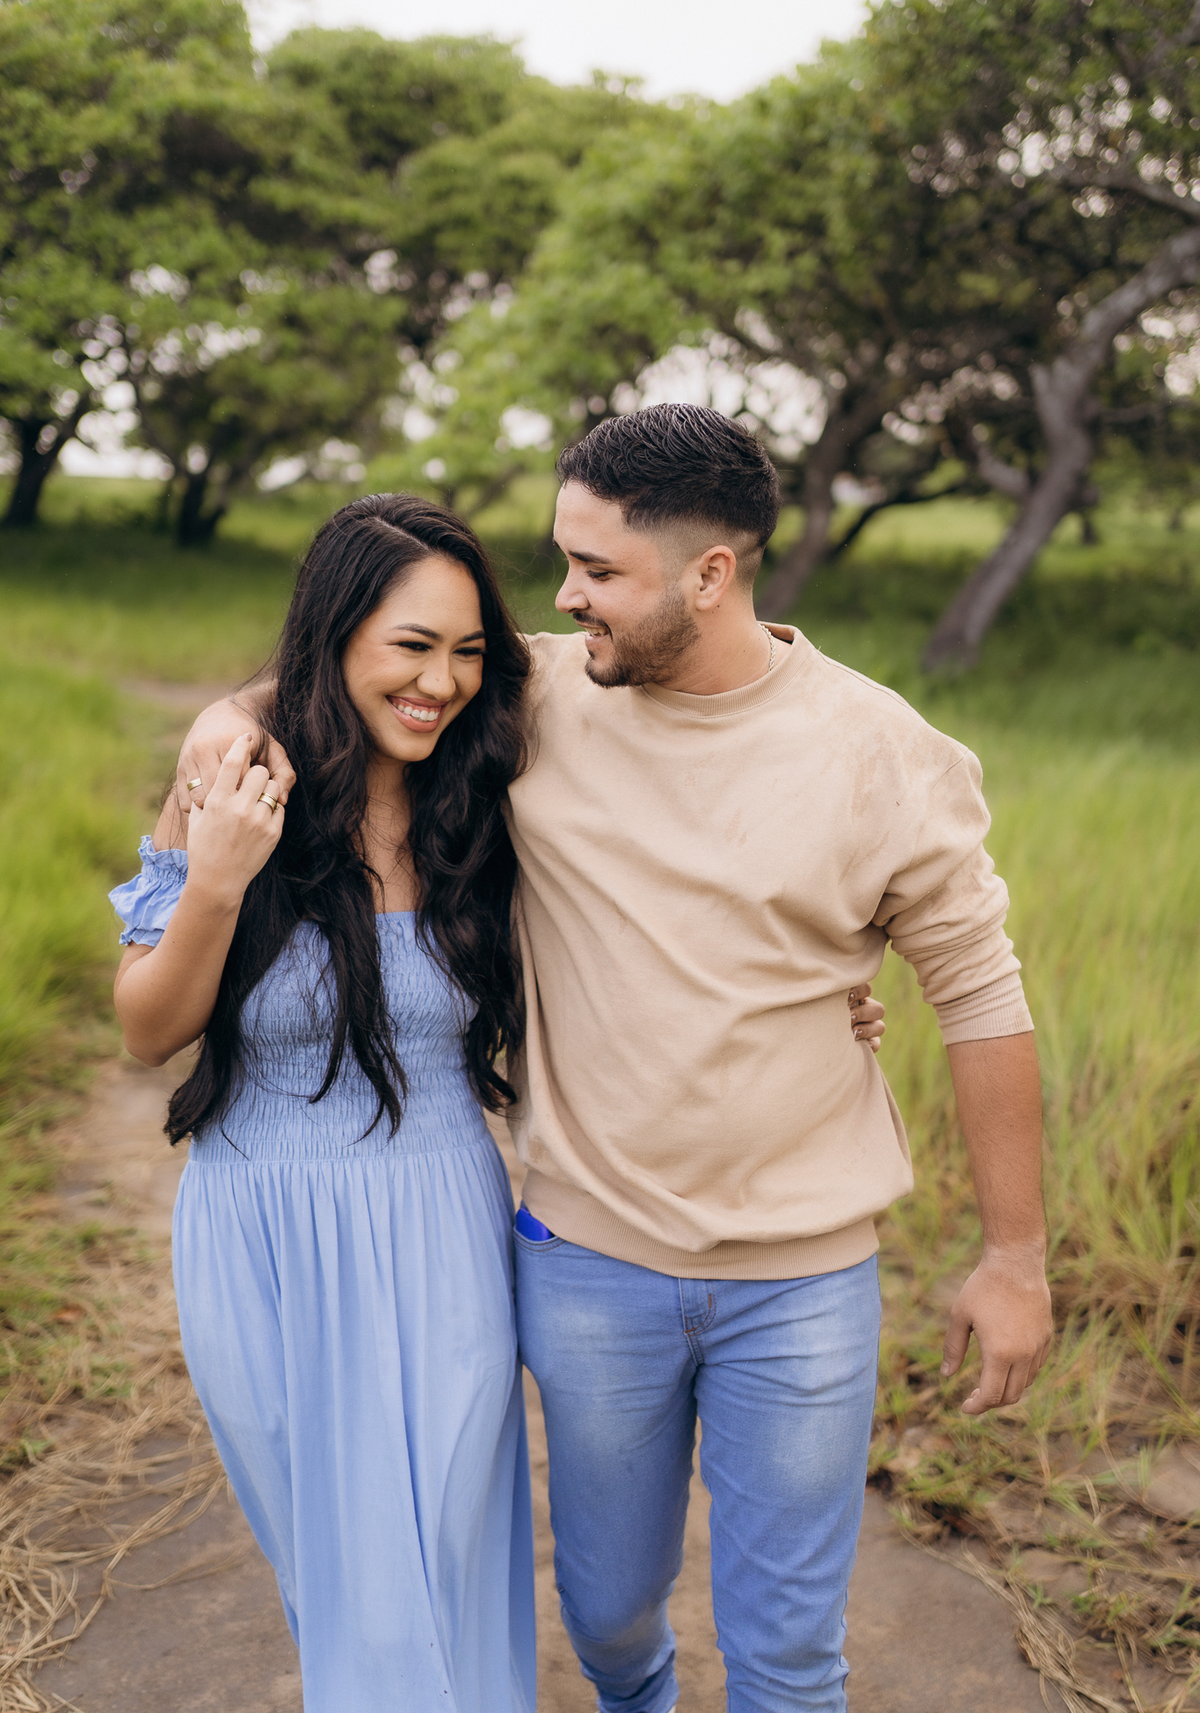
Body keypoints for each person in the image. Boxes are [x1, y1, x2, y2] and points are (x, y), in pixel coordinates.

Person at [178, 406, 1052, 1713]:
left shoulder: (884, 755)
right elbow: (366, 664)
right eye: (562, 562)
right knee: (605, 1614)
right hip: (590, 1265)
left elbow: (983, 993)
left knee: (790, 1660)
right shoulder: (544, 698)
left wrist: (1015, 1254)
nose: (566, 596)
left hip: (804, 1281)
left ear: (712, 575)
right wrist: (228, 714)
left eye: (597, 570)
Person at [109, 499, 538, 1713]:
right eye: (411, 645)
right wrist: (218, 881)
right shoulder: (237, 793)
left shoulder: (491, 792)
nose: (441, 681)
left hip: (442, 1219)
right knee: (334, 1571)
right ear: (337, 632)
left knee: (449, 1553)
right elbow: (146, 1030)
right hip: (259, 1232)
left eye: (466, 651)